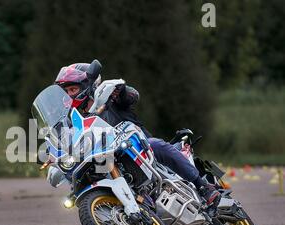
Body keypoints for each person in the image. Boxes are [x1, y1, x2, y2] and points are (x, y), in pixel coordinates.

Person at [54, 62, 221, 210]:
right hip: (110, 162)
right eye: (66, 91)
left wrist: (121, 91)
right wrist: (57, 153)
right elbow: (70, 143)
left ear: (87, 86)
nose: (68, 95)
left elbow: (132, 96)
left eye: (72, 89)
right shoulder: (74, 122)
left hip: (141, 150)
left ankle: (204, 187)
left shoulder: (110, 100)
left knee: (155, 144)